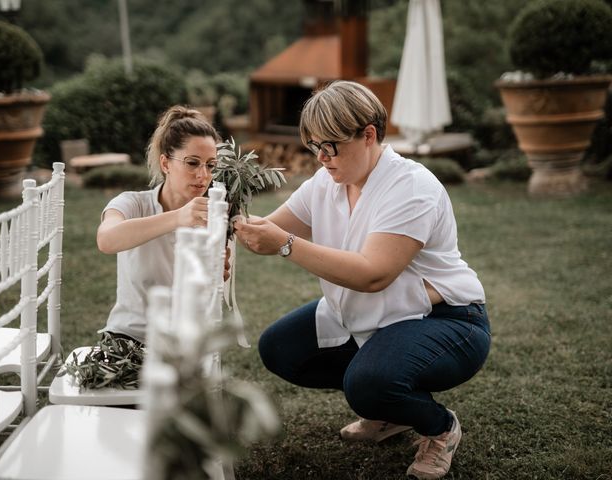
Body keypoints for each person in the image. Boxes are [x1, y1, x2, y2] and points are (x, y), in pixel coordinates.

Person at [234, 81, 490, 479]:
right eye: (314, 146)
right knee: (279, 348)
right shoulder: (327, 181)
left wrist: (285, 245)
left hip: (448, 319)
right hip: (367, 312)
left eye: (330, 146)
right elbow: (267, 230)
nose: (321, 158)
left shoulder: (410, 186)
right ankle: (391, 411)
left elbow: (373, 274)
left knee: (367, 384)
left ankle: (439, 428)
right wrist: (221, 214)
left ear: (368, 134)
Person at [96, 105, 229, 345]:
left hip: (184, 343)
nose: (203, 175)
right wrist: (179, 217)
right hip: (127, 339)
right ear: (166, 163)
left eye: (210, 165)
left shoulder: (213, 216)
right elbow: (106, 240)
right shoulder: (132, 203)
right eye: (192, 163)